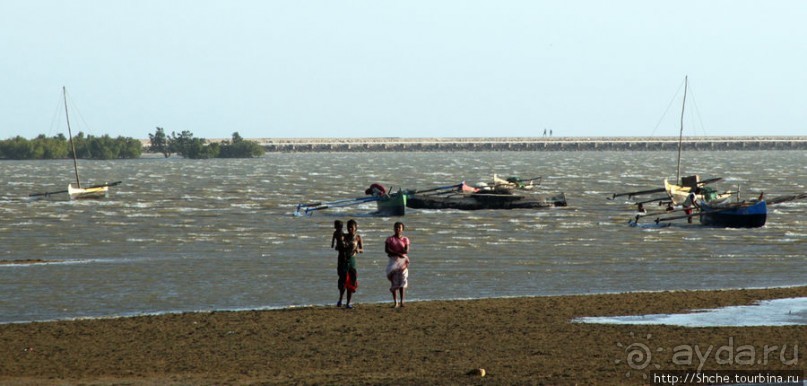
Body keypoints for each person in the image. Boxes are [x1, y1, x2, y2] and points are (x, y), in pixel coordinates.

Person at [384, 222, 410, 308]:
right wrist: (397, 253)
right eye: (396, 227)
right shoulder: (390, 239)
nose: (398, 229)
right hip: (393, 262)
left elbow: (406, 251)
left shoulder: (405, 239)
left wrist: (396, 252)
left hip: (402, 261)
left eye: (399, 228)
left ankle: (402, 301)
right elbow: (387, 250)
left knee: (402, 280)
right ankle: (396, 302)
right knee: (394, 281)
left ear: (402, 229)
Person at [341, 219, 363, 309]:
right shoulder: (344, 237)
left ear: (355, 228)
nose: (350, 229)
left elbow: (362, 249)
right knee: (343, 281)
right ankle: (340, 299)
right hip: (344, 260)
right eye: (348, 227)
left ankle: (348, 303)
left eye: (352, 227)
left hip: (352, 260)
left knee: (351, 282)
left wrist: (358, 250)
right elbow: (339, 246)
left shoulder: (358, 237)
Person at [331, 220, 346, 307]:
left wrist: (334, 245)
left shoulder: (337, 233)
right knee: (342, 277)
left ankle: (341, 299)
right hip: (342, 255)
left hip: (341, 255)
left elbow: (333, 242)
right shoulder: (341, 233)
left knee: (342, 277)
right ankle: (341, 299)